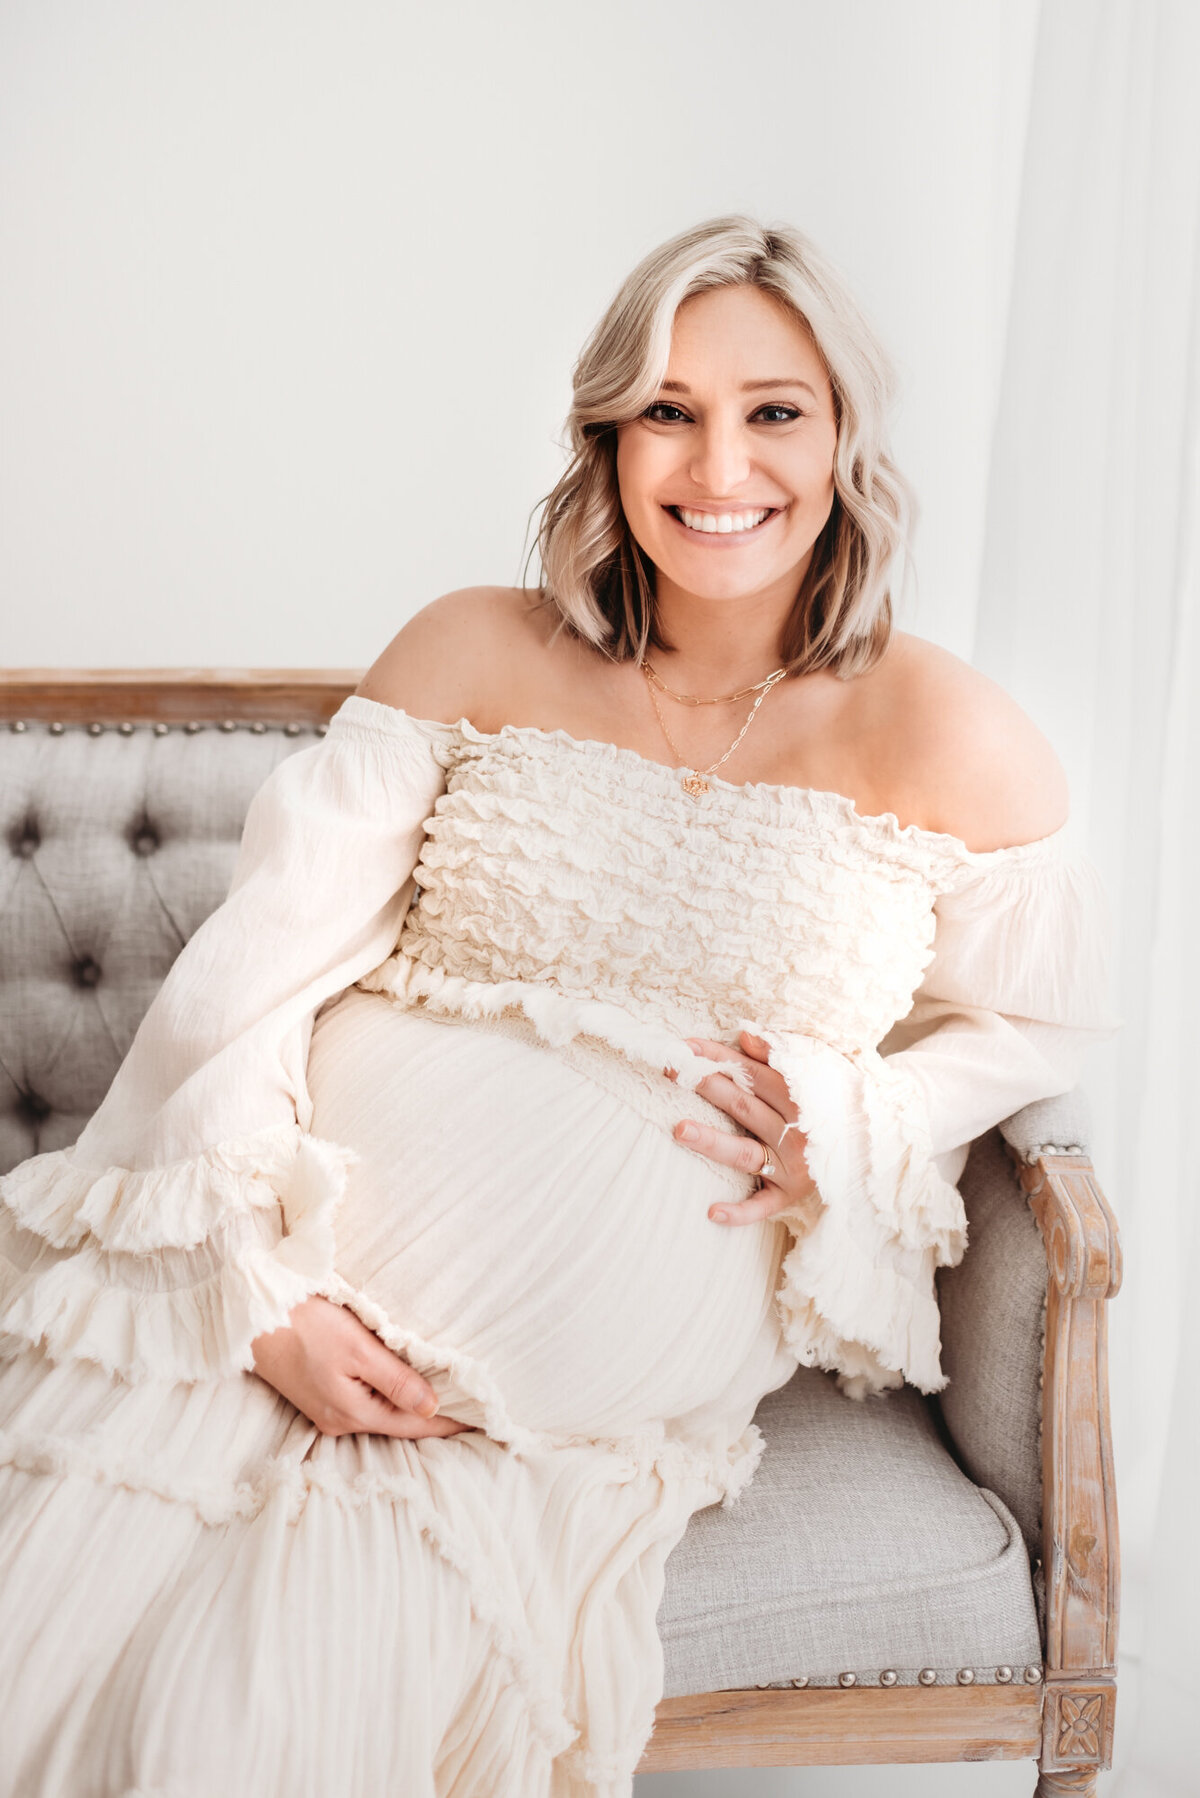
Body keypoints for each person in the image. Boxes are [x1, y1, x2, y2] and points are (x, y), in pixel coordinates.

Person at [0, 216, 1119, 1797]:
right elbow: (244, 988)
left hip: (555, 1403)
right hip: (293, 1293)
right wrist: (257, 1297)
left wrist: (871, 1118)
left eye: (773, 408)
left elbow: (1058, 1019)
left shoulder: (952, 730)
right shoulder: (472, 646)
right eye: (667, 407)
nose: (718, 459)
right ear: (606, 438)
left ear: (845, 435)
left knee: (230, 1726)